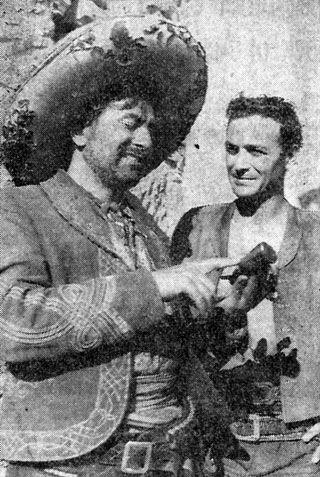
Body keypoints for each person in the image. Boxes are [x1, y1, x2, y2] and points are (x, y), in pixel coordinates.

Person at [0, 16, 250, 477]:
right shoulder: (20, 208)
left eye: (152, 129)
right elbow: (14, 327)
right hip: (70, 465)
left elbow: (164, 343)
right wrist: (156, 284)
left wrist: (219, 309)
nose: (147, 141)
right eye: (132, 122)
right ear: (79, 129)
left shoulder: (147, 227)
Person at [172, 95, 320, 476]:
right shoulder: (197, 227)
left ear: (288, 156)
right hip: (218, 449)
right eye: (232, 149)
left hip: (301, 454)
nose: (240, 164)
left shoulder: (317, 235)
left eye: (256, 151)